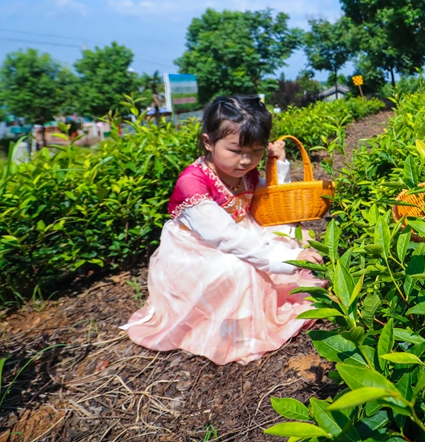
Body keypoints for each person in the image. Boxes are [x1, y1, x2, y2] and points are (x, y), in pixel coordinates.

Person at [122, 95, 326, 365]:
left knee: (289, 236)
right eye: (236, 150)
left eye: (256, 151)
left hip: (240, 232)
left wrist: (278, 163)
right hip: (198, 249)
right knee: (237, 270)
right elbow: (224, 236)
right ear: (208, 142)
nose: (246, 160)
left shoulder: (246, 171)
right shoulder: (193, 184)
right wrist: (285, 262)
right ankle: (235, 332)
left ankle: (256, 314)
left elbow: (272, 199)